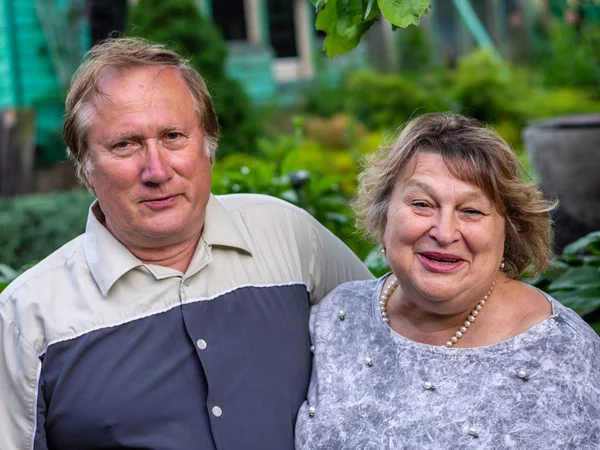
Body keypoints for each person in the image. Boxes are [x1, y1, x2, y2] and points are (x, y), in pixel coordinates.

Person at [0, 38, 372, 450]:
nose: (157, 170)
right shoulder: (29, 319)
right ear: (85, 167)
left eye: (173, 136)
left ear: (208, 147)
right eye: (125, 144)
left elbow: (393, 340)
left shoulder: (290, 238)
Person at [295, 113, 600, 449]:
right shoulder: (336, 316)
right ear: (384, 214)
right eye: (422, 204)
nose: (443, 232)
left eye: (471, 211)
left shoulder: (562, 354)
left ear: (509, 232)